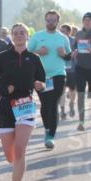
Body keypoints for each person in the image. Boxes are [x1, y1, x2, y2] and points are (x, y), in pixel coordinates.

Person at [0, 23, 45, 181]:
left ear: (27, 36)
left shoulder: (33, 58)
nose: (19, 36)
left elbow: (42, 80)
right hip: (5, 106)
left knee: (20, 151)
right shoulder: (2, 58)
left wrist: (40, 85)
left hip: (25, 105)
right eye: (16, 33)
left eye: (22, 33)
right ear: (11, 36)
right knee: (9, 156)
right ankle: (16, 167)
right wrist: (3, 88)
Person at [28, 10, 71, 149]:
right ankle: (47, 129)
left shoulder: (63, 38)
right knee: (45, 104)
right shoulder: (37, 36)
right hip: (41, 76)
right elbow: (27, 53)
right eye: (48, 20)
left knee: (52, 103)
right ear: (45, 21)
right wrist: (38, 52)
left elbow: (69, 57)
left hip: (58, 74)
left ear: (58, 21)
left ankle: (50, 135)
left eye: (53, 20)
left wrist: (64, 54)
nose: (50, 22)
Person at [59, 23, 77, 119]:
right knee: (61, 91)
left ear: (69, 32)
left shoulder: (74, 41)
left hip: (72, 70)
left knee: (72, 90)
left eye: (63, 31)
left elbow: (79, 53)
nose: (61, 33)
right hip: (60, 70)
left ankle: (71, 105)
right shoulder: (57, 41)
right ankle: (62, 110)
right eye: (60, 31)